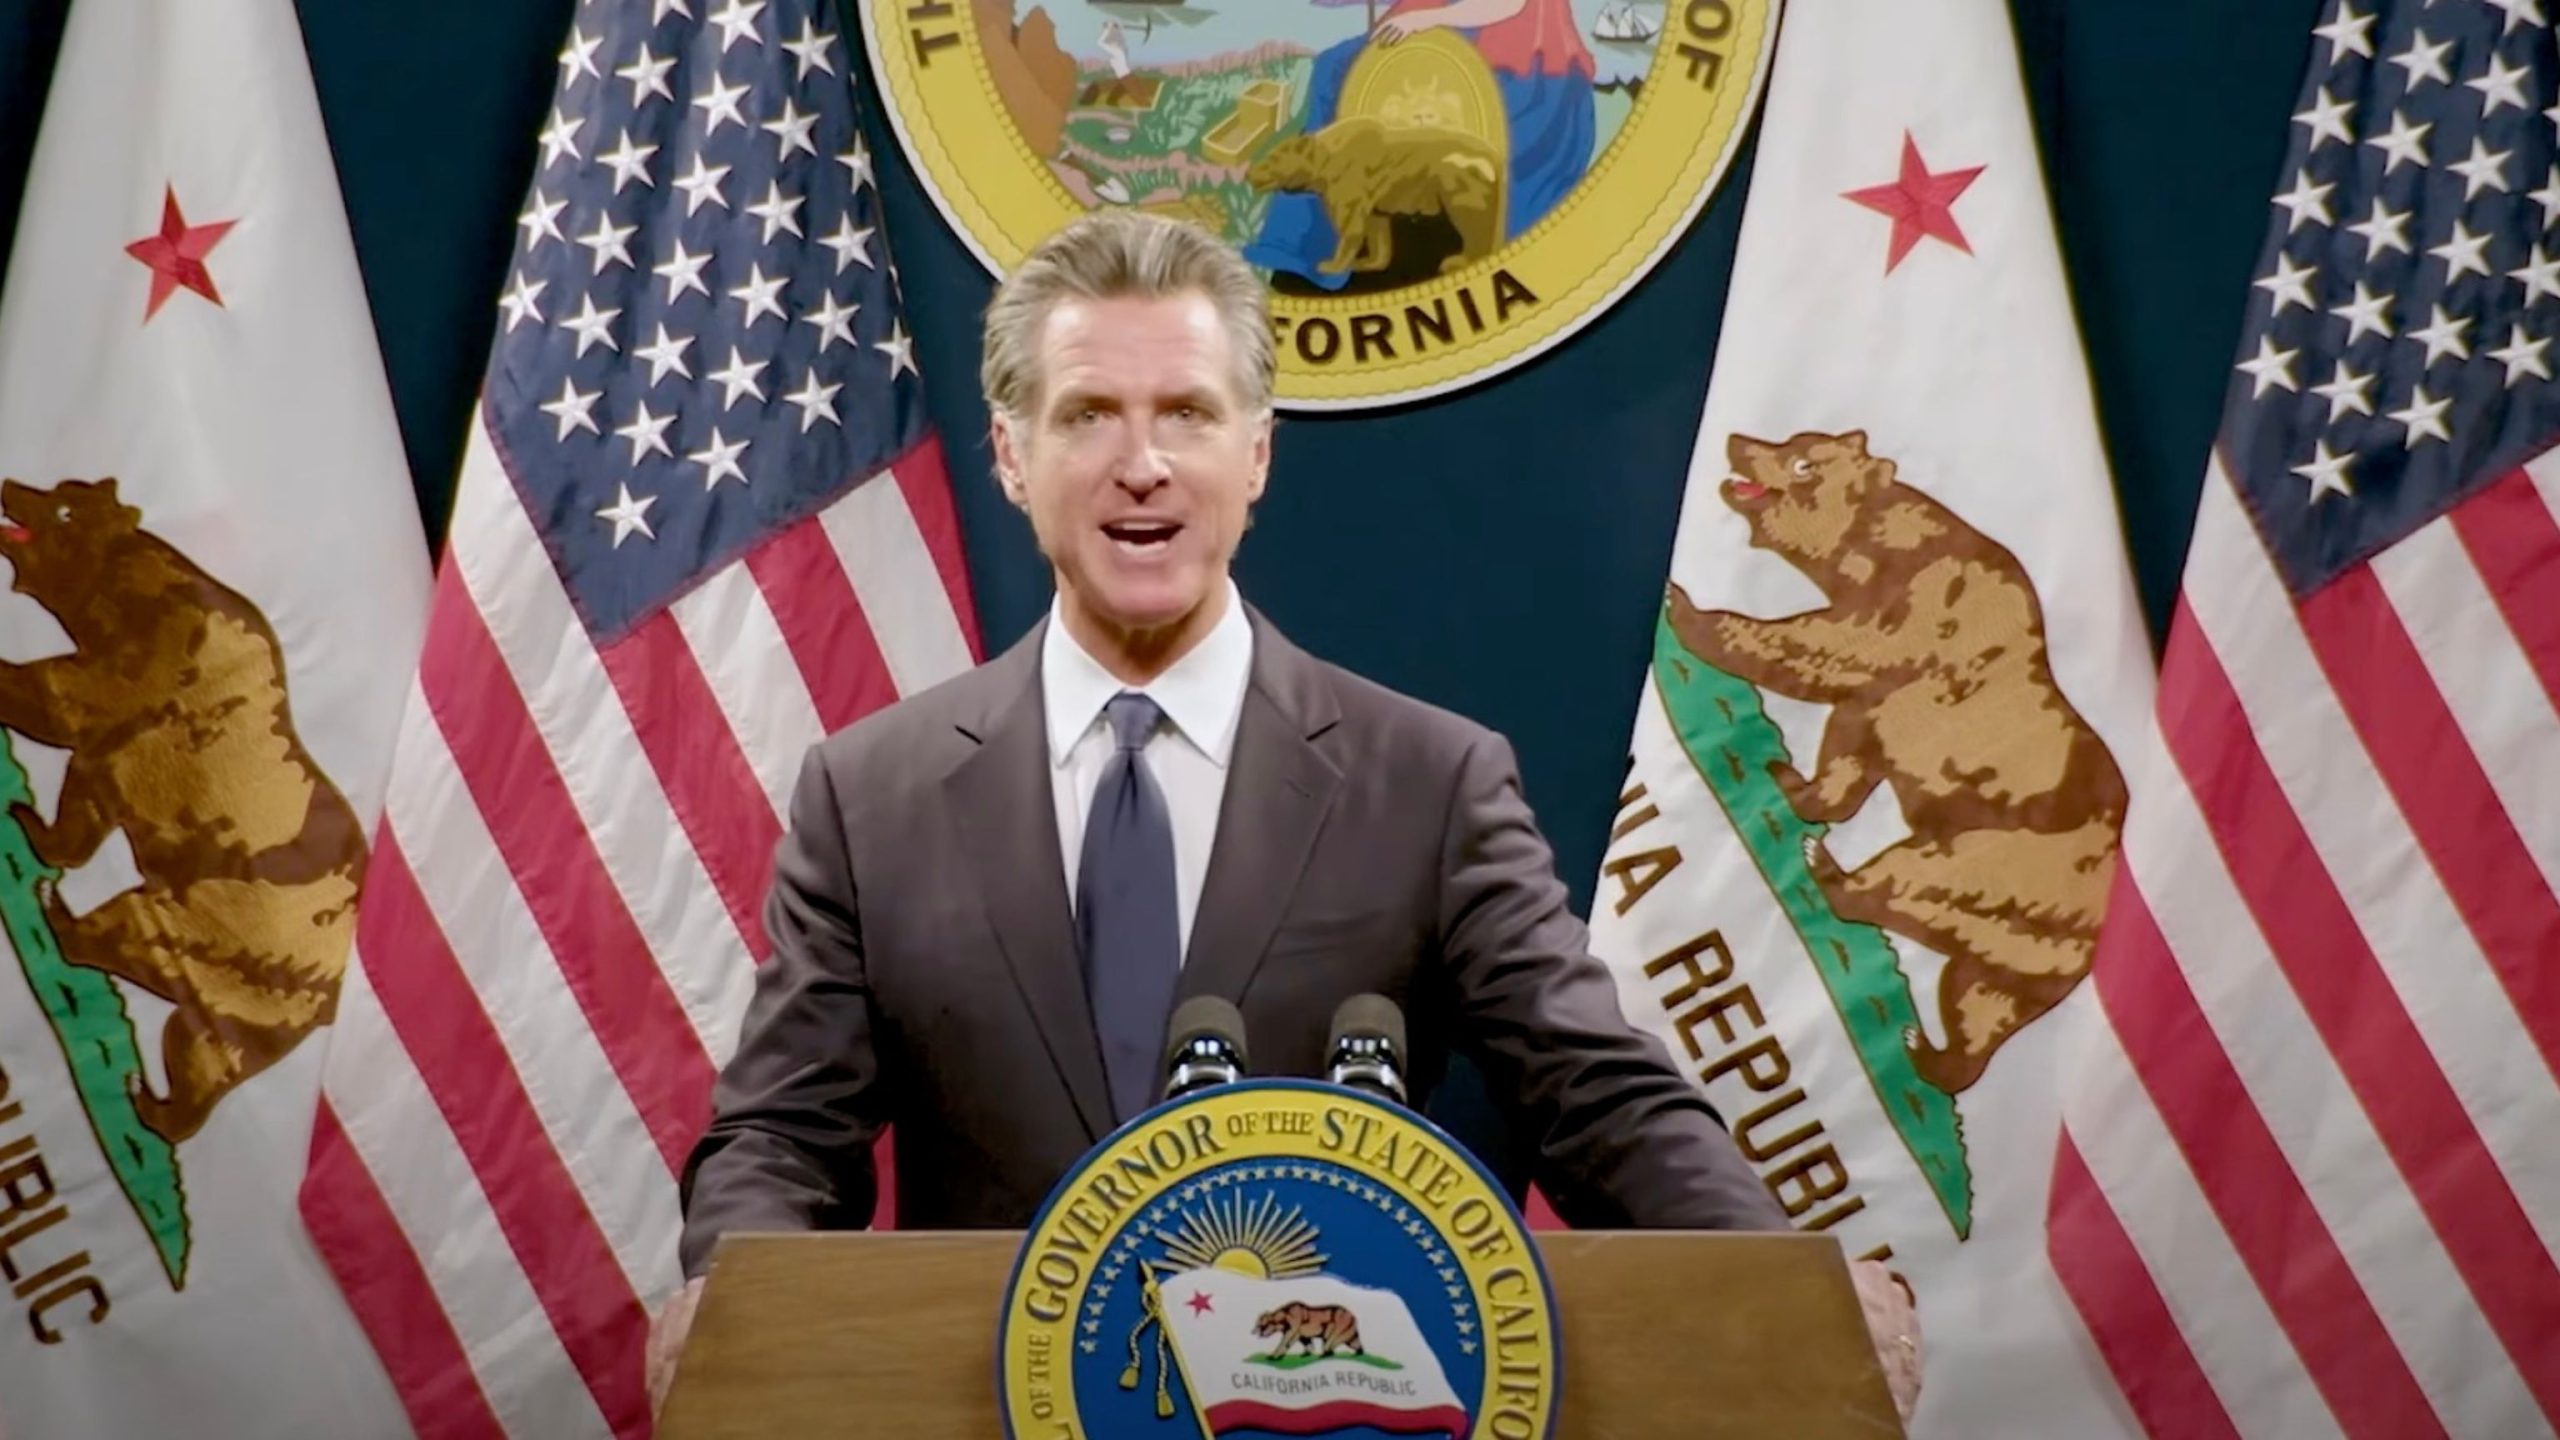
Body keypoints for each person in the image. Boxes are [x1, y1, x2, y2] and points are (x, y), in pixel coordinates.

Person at [653, 210, 1920, 1418]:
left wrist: (1781, 1280)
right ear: (1009, 454)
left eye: (1186, 415)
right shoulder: (870, 797)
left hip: (1331, 1412)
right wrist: (737, 1304)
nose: (1140, 464)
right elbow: (779, 1133)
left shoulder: (1428, 782)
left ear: (1254, 454)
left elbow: (1592, 1091)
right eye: (1088, 413)